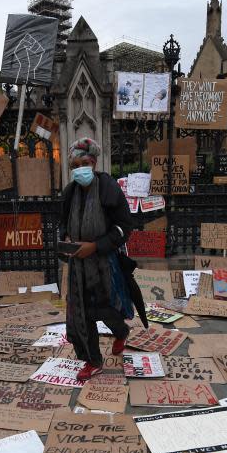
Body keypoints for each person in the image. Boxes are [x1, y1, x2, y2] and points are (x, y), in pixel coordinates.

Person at [60, 137, 147, 381]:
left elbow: (125, 227)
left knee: (108, 310)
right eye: (75, 165)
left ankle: (121, 332)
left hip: (104, 266)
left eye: (84, 163)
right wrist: (66, 240)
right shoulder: (69, 194)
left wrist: (96, 246)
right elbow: (61, 224)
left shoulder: (109, 189)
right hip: (78, 268)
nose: (80, 169)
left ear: (94, 162)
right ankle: (92, 360)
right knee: (81, 314)